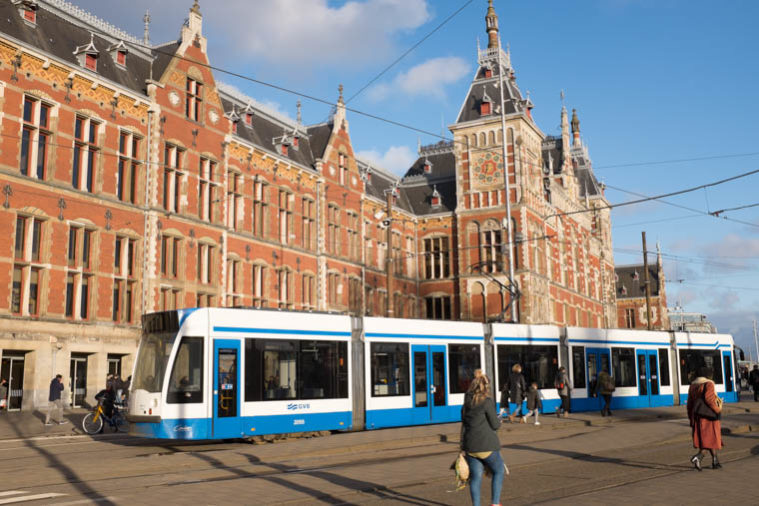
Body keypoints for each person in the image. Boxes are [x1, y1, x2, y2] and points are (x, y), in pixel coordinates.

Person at [461, 370, 504, 506]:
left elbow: (464, 420)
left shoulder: (466, 401)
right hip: (486, 445)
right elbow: (495, 425)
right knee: (499, 470)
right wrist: (499, 420)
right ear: (486, 387)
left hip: (470, 447)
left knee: (475, 478)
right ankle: (495, 504)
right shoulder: (487, 401)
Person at [687, 366, 723, 470]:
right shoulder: (709, 383)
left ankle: (715, 461)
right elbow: (710, 399)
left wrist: (691, 418)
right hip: (709, 416)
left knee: (708, 438)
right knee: (710, 438)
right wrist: (717, 410)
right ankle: (698, 457)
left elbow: (690, 404)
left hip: (698, 416)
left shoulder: (693, 385)